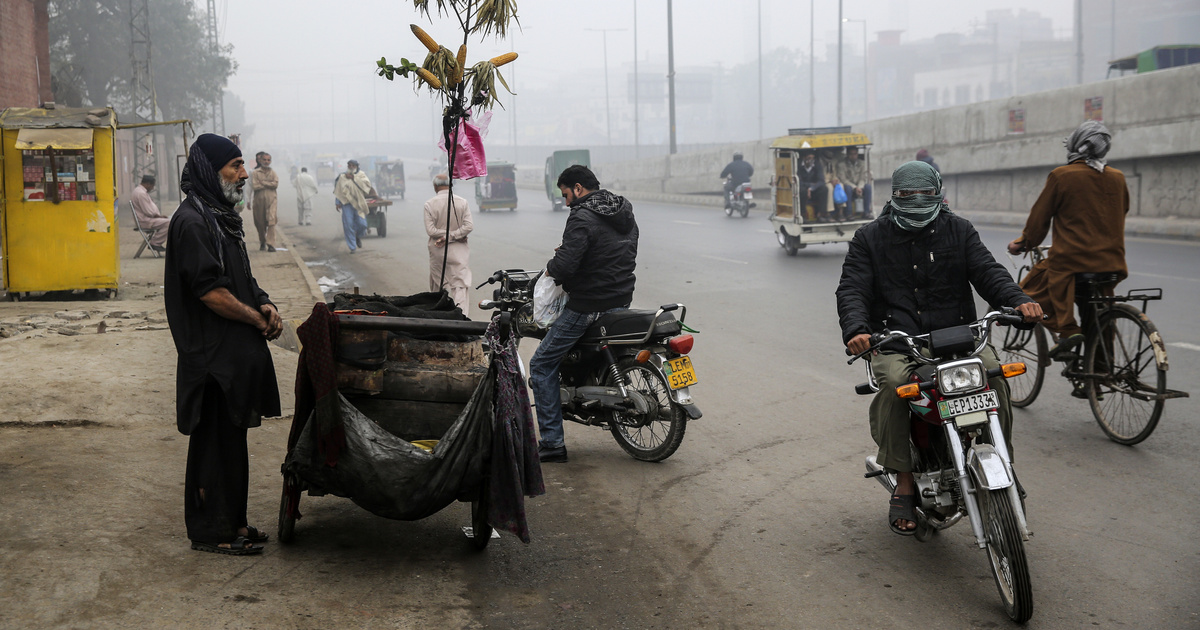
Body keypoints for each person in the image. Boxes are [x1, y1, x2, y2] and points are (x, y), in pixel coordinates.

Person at [835, 160, 1042, 535]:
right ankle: (903, 481)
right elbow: (852, 289)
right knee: (897, 388)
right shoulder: (869, 238)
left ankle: (1005, 467)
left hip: (960, 338)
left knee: (994, 381)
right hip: (898, 342)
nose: (916, 201)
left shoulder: (959, 231)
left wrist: (1018, 300)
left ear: (938, 193)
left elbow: (988, 271)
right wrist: (857, 329)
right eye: (907, 195)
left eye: (924, 194)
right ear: (894, 196)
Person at [164, 133, 284, 556]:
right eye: (234, 165)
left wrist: (264, 302)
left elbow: (240, 278)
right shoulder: (194, 222)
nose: (244, 173)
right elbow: (210, 292)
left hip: (230, 360)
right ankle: (211, 531)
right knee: (212, 447)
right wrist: (253, 318)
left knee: (231, 445)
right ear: (210, 170)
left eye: (241, 164)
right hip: (210, 360)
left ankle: (233, 521)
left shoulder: (220, 217)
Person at [530, 165, 638, 464]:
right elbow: (614, 252)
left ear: (578, 188)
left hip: (589, 305)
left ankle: (552, 443)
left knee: (540, 365)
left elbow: (564, 267)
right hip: (621, 300)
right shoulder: (623, 210)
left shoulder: (581, 215)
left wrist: (551, 267)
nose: (565, 202)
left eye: (566, 195)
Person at [1006, 121, 1128, 369]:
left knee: (1029, 290)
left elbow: (1040, 219)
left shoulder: (1062, 176)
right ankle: (1099, 370)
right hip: (1112, 262)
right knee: (1100, 311)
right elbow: (1121, 210)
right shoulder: (1118, 177)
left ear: (1075, 145)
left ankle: (1068, 330)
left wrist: (1024, 242)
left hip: (1072, 261)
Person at [423, 172, 474, 314]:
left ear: (435, 186)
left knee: (438, 286)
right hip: (459, 250)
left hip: (438, 250)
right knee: (459, 285)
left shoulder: (429, 204)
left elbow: (431, 231)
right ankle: (461, 317)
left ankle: (438, 316)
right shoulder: (462, 202)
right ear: (451, 185)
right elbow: (469, 226)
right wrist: (455, 235)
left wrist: (446, 237)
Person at [334, 159, 372, 253]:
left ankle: (358, 236)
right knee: (348, 225)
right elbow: (338, 189)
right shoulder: (342, 176)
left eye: (352, 165)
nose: (351, 167)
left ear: (356, 166)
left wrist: (353, 178)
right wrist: (337, 202)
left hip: (359, 203)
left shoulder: (361, 175)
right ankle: (352, 247)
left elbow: (367, 185)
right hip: (346, 204)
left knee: (362, 224)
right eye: (349, 165)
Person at [130, 174, 169, 251]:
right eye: (152, 186)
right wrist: (159, 216)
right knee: (169, 223)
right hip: (146, 221)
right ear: (148, 184)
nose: (152, 188)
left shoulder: (139, 191)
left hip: (146, 219)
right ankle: (155, 243)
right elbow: (149, 212)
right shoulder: (141, 194)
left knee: (168, 221)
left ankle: (155, 242)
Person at [249, 152, 279, 252]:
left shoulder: (273, 172)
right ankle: (262, 241)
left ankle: (271, 244)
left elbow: (275, 184)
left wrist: (263, 183)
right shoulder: (255, 173)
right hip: (259, 201)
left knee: (271, 220)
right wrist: (268, 184)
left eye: (268, 160)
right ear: (260, 160)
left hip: (272, 200)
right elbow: (255, 186)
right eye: (264, 160)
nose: (266, 162)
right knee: (260, 223)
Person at [835, 146, 873, 220]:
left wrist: (859, 187)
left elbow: (863, 178)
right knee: (847, 188)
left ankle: (866, 212)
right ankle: (849, 214)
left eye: (855, 154)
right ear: (847, 155)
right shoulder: (841, 165)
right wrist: (855, 187)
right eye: (851, 154)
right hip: (849, 187)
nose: (853, 156)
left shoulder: (862, 164)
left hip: (859, 187)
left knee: (868, 187)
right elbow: (843, 179)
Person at [796, 151, 829, 222]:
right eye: (809, 158)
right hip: (802, 189)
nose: (811, 160)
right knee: (802, 191)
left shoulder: (817, 164)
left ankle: (821, 214)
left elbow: (821, 181)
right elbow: (799, 181)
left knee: (824, 189)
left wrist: (811, 188)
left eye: (812, 158)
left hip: (813, 190)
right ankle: (803, 215)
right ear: (804, 158)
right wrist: (808, 187)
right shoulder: (798, 165)